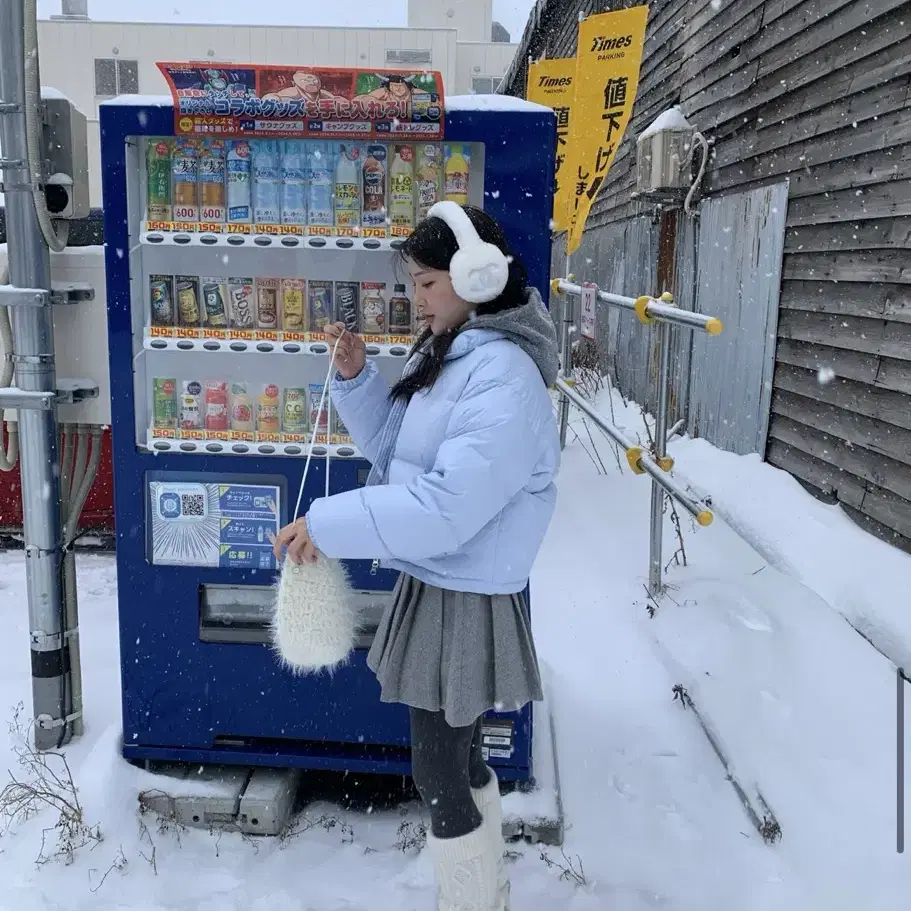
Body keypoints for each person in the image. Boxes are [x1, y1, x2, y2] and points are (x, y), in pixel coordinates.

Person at [273, 204, 561, 911]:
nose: (416, 298)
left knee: (437, 768)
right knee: (457, 759)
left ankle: (469, 900)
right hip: (444, 580)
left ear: (476, 277)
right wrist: (357, 378)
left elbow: (444, 509)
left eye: (428, 282)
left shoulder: (503, 377)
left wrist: (327, 523)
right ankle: (483, 892)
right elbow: (397, 458)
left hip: (465, 589)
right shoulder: (457, 349)